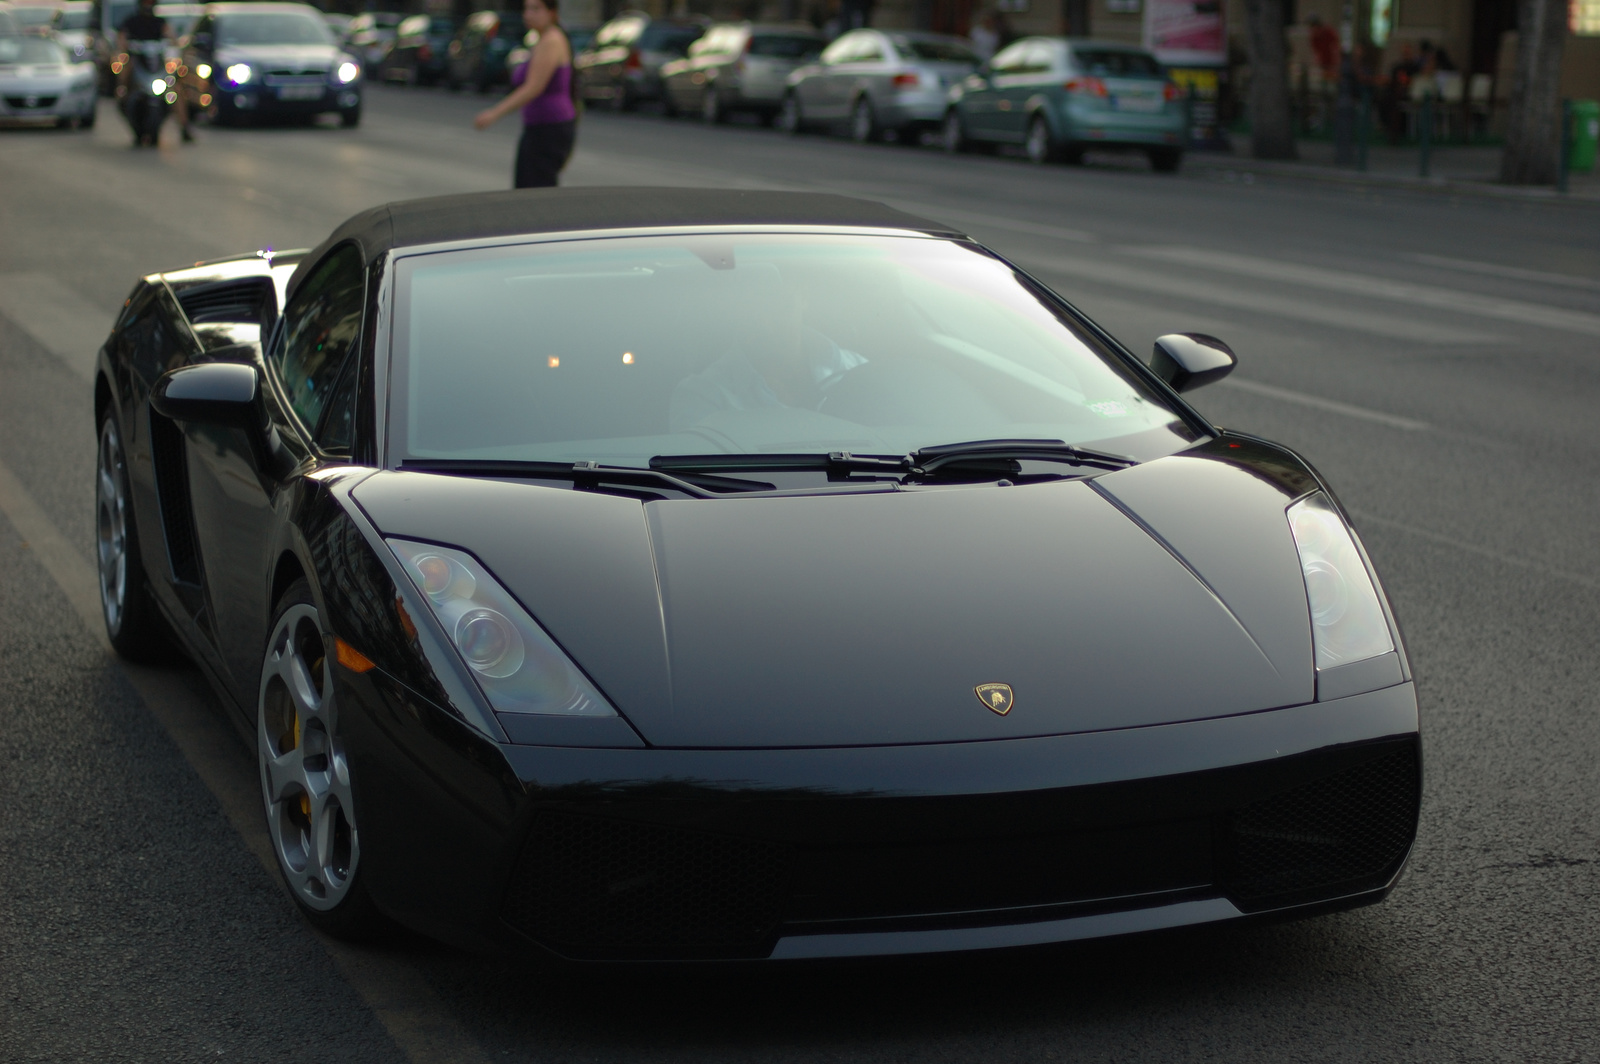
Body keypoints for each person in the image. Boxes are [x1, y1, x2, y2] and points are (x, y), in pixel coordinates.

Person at [472, 0, 574, 188]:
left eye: (536, 9)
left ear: (552, 12)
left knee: (535, 191)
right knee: (529, 188)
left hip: (548, 127)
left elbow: (534, 87)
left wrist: (494, 114)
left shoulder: (551, 40)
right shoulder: (541, 39)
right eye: (526, 9)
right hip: (540, 126)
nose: (528, 15)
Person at [116, 0, 193, 142]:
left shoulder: (160, 22)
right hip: (138, 65)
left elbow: (172, 38)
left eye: (150, 2)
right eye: (145, 2)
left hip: (157, 67)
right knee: (124, 80)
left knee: (174, 90)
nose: (148, 5)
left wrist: (175, 45)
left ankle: (184, 128)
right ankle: (124, 97)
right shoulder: (131, 22)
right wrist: (124, 47)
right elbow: (121, 39)